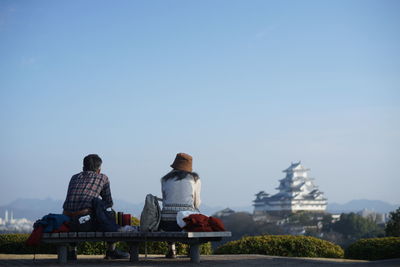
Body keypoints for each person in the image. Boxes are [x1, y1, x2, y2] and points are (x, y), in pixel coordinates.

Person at [63, 154, 129, 260]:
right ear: (99, 170)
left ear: (83, 167)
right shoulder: (103, 177)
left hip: (66, 221)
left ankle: (72, 251)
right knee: (109, 212)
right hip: (84, 223)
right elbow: (108, 202)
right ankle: (111, 250)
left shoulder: (74, 177)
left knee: (78, 214)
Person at [160, 152, 201, 258]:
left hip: (167, 223)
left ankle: (172, 249)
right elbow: (197, 202)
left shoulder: (165, 179)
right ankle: (190, 249)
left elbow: (165, 200)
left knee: (168, 214)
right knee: (193, 216)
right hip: (186, 223)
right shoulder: (194, 179)